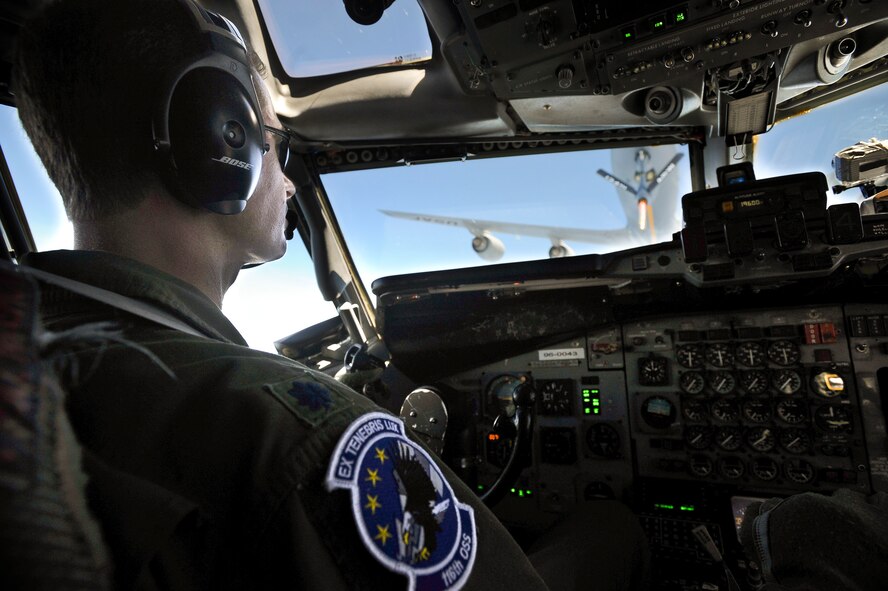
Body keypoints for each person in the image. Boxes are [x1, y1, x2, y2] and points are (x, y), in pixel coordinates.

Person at [12, 1, 648, 589]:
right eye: (275, 143)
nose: (288, 185)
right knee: (613, 530)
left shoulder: (34, 367)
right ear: (220, 138)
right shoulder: (300, 438)